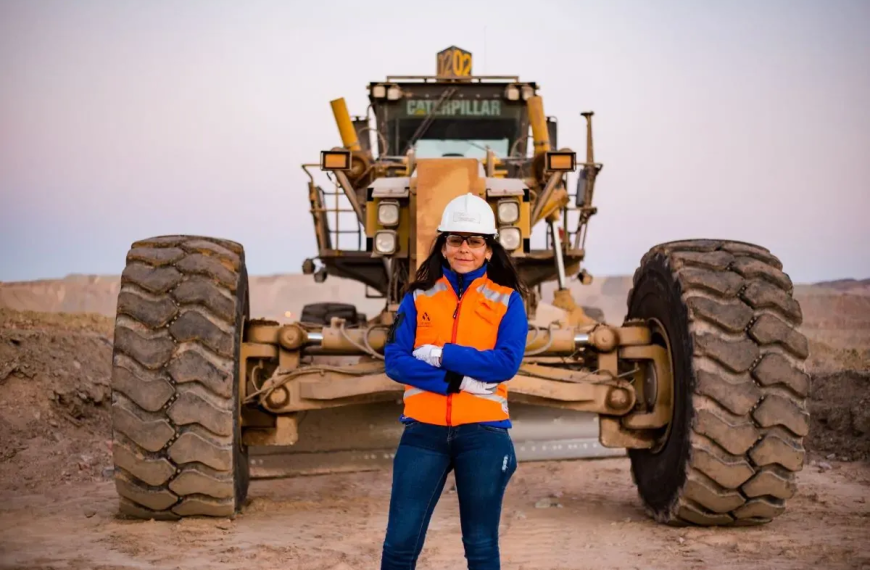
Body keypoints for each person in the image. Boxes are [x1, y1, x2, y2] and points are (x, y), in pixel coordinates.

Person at [380, 192, 529, 570]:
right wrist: (454, 382)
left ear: (489, 250)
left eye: (474, 241)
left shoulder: (508, 301)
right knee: (399, 545)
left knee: (481, 546)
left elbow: (505, 363)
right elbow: (395, 362)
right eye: (456, 240)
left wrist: (441, 353)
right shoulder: (417, 297)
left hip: (484, 435)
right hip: (423, 434)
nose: (465, 249)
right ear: (443, 246)